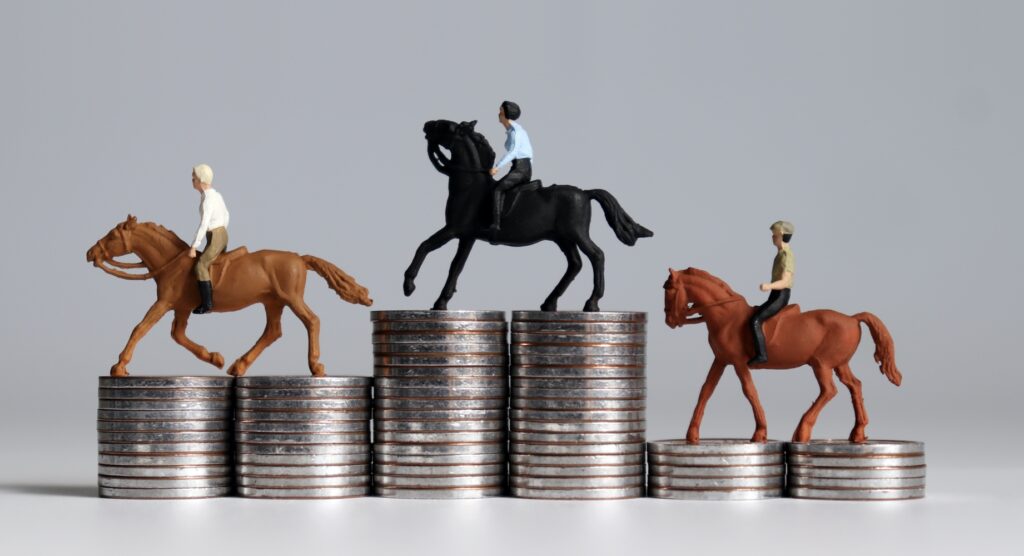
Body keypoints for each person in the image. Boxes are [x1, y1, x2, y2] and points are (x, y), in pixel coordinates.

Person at [748, 220, 795, 365]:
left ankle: (762, 355)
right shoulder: (780, 254)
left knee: (755, 320)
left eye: (774, 235)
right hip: (774, 295)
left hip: (780, 296)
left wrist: (769, 286)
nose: (772, 237)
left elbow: (786, 281)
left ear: (781, 235)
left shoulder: (786, 256)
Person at [189, 163, 230, 314]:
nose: (192, 181)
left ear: (201, 180)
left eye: (194, 178)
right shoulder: (217, 195)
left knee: (200, 266)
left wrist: (194, 246)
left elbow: (204, 223)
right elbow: (227, 214)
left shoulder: (207, 200)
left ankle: (207, 305)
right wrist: (222, 228)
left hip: (215, 235)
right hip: (222, 234)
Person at [488, 100, 534, 233]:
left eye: (501, 111)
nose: (499, 113)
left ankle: (496, 225)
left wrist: (497, 167)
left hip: (521, 168)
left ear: (506, 114)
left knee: (497, 189)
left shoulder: (516, 132)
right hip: (519, 167)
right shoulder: (511, 131)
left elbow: (513, 152)